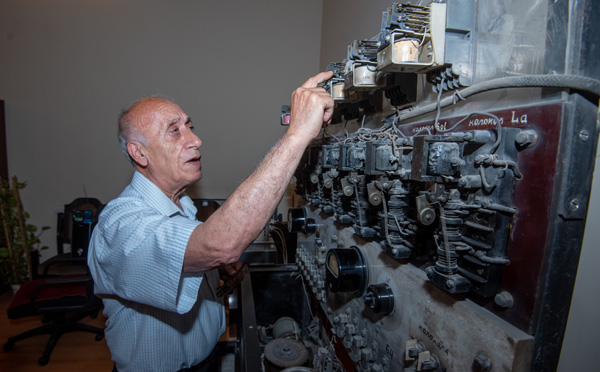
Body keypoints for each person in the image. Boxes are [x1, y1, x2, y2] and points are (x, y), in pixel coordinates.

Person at [87, 71, 334, 372]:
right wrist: (297, 135)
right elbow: (222, 243)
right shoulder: (119, 225)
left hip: (207, 361)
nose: (195, 139)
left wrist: (211, 269)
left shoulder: (182, 208)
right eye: (174, 131)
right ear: (139, 153)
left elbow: (199, 249)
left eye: (189, 126)